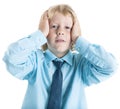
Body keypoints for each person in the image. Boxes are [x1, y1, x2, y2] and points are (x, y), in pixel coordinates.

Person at [3, 4, 118, 109]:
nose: (60, 31)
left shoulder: (82, 65)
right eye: (53, 26)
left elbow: (110, 66)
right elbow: (11, 58)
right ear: (46, 31)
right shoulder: (35, 61)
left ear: (74, 31)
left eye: (67, 27)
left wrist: (78, 39)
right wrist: (40, 34)